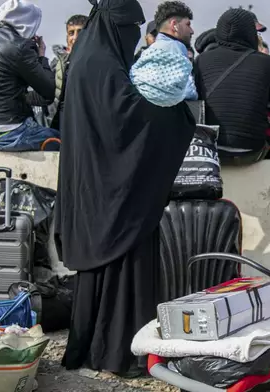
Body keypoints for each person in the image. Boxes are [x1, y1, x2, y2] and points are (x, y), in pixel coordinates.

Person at [55, 0, 196, 377]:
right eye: (131, 30)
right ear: (116, 28)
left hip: (96, 188)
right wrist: (177, 114)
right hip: (114, 195)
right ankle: (116, 352)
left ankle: (95, 349)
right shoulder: (103, 67)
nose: (135, 37)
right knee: (122, 268)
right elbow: (128, 119)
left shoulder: (87, 61)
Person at [193, 8, 270, 165]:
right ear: (250, 33)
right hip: (251, 150)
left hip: (210, 148)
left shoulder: (201, 60)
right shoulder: (267, 62)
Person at [0, 0, 58, 152]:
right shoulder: (20, 47)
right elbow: (48, 91)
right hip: (8, 133)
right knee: (62, 142)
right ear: (28, 23)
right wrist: (41, 56)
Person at [130, 1, 197, 105]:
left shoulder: (149, 51)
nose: (192, 31)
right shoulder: (176, 49)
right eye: (188, 24)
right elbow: (189, 92)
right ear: (174, 25)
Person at [49, 14, 88, 130]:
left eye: (80, 32)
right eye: (71, 33)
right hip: (62, 118)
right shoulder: (56, 63)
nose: (75, 37)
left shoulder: (97, 60)